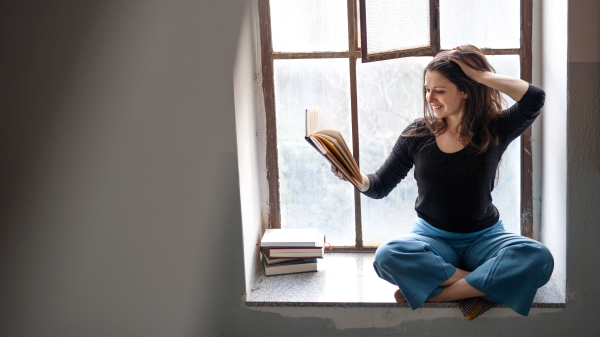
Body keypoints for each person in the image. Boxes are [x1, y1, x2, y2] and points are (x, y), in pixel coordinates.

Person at [330, 45, 553, 318]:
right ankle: (482, 281)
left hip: (485, 238)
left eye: (439, 90)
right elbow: (378, 186)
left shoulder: (495, 128)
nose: (430, 98)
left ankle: (437, 293)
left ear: (465, 89)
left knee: (539, 259)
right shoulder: (417, 133)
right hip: (431, 238)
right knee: (387, 256)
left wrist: (479, 75)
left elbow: (534, 98)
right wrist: (354, 176)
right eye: (426, 89)